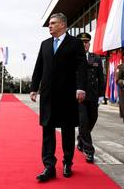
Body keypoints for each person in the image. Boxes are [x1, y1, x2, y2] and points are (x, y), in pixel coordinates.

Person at [30, 13, 86, 182]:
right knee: (47, 130)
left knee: (67, 130)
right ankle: (49, 166)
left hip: (67, 95)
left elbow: (81, 67)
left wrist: (81, 87)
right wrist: (34, 88)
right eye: (49, 23)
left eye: (53, 23)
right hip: (48, 95)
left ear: (63, 24)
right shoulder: (45, 44)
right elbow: (39, 67)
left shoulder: (75, 43)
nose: (50, 26)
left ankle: (68, 162)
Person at [75, 32, 104, 164]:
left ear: (89, 44)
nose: (84, 44)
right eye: (82, 42)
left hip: (92, 95)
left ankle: (81, 139)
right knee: (84, 122)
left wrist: (101, 95)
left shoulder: (96, 58)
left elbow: (100, 78)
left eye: (86, 42)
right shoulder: (73, 58)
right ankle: (89, 151)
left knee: (93, 119)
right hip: (79, 97)